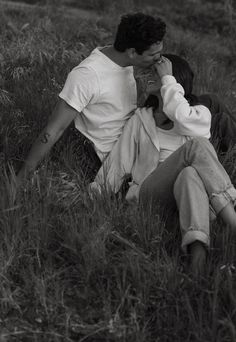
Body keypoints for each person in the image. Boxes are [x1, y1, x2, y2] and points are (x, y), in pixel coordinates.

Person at [90, 54, 236, 277]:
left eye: (155, 72)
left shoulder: (199, 114)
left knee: (188, 173)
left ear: (173, 80)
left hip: (191, 195)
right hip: (151, 195)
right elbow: (118, 164)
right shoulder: (141, 118)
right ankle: (232, 221)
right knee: (195, 147)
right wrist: (93, 197)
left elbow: (183, 117)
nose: (147, 76)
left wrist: (167, 79)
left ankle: (197, 262)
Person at [16, 12, 166, 185]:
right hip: (100, 159)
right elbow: (54, 129)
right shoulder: (88, 75)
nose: (159, 59)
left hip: (130, 145)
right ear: (132, 52)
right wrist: (22, 176)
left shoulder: (124, 62)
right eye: (153, 55)